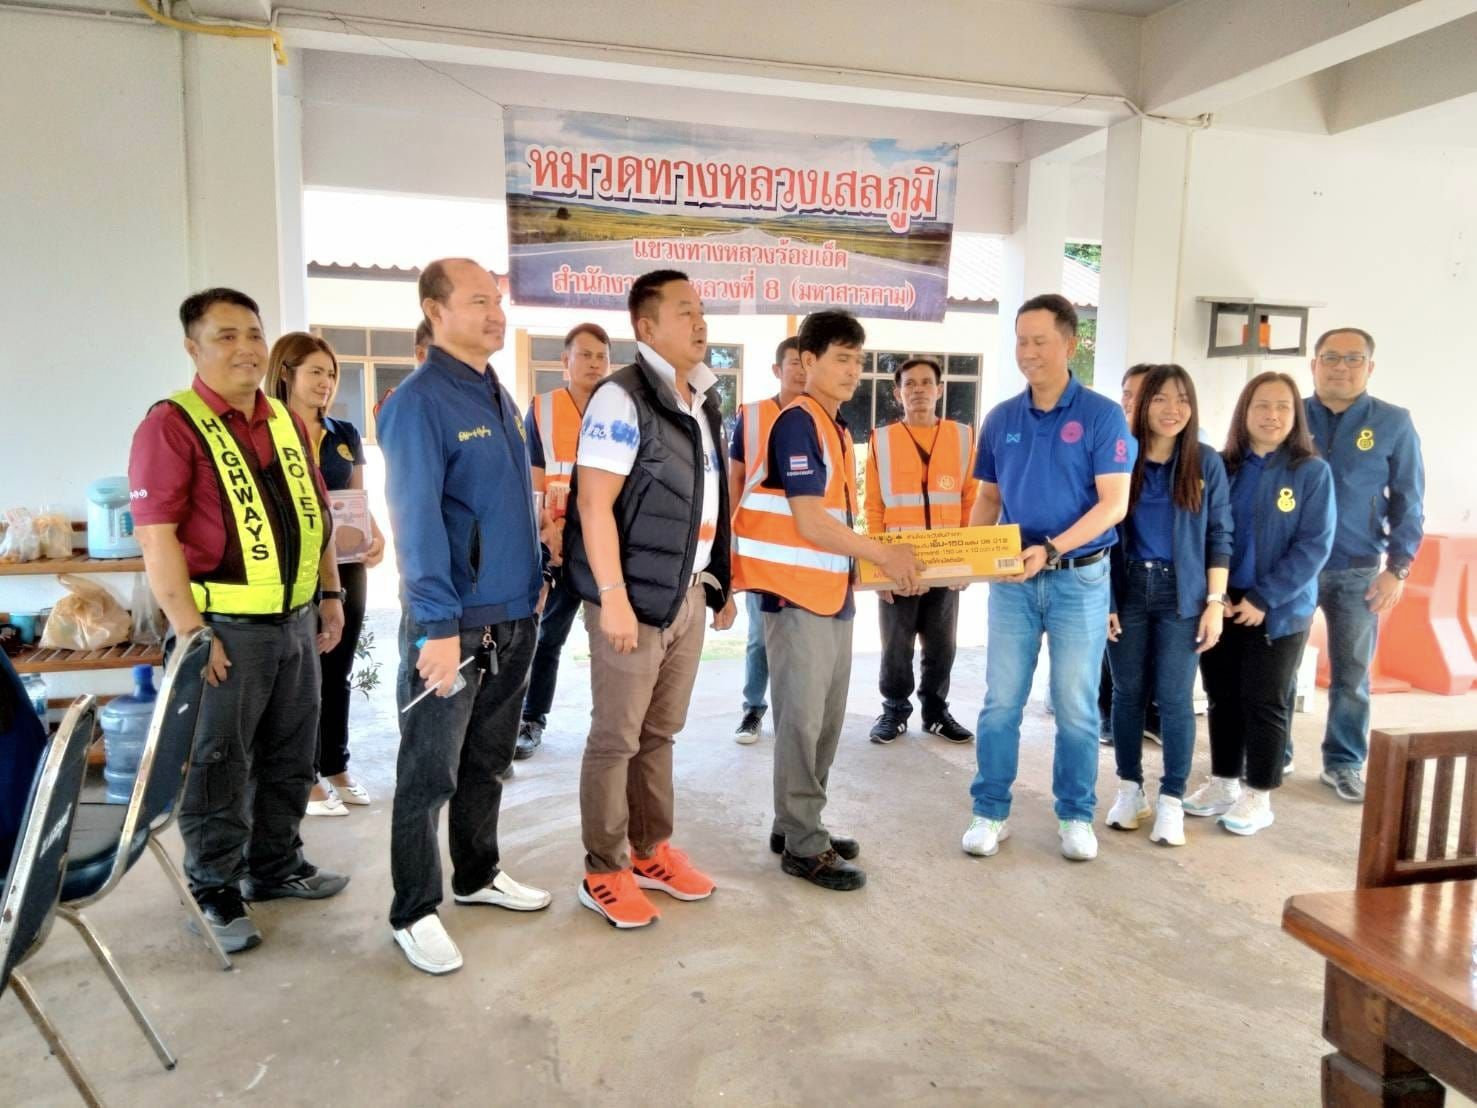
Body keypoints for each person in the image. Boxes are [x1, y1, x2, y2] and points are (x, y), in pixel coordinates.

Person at [128, 288, 349, 955]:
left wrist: (330, 592)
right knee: (219, 762)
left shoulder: (285, 420)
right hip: (224, 629)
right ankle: (214, 888)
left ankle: (275, 865)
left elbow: (316, 514)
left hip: (296, 622)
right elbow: (157, 538)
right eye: (226, 336)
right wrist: (193, 633)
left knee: (290, 754)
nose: (246, 348)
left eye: (253, 333)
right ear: (192, 348)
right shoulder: (171, 424)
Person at [377, 258, 551, 975]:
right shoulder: (419, 402)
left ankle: (477, 874)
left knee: (488, 762)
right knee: (428, 774)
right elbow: (415, 522)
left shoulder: (494, 391)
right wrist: (438, 628)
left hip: (513, 615)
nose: (495, 313)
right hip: (453, 626)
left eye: (498, 301)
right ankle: (413, 910)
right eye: (478, 300)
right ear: (435, 310)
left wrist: (534, 578)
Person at [562, 269, 736, 929]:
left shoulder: (700, 398)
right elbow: (594, 504)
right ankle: (604, 869)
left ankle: (649, 851)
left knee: (660, 733)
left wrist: (718, 580)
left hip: (686, 594)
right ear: (646, 326)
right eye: (685, 311)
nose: (700, 322)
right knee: (617, 737)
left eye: (702, 310)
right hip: (632, 600)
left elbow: (709, 499)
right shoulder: (621, 397)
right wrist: (612, 597)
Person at [732, 310, 924, 891]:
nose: (852, 371)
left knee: (823, 724)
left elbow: (838, 522)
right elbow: (811, 522)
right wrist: (886, 555)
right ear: (808, 361)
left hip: (830, 595)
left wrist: (873, 568)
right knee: (802, 724)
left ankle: (797, 823)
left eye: (858, 360)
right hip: (796, 599)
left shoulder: (834, 426)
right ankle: (803, 844)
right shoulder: (798, 423)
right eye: (842, 358)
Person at [961, 293, 1133, 864]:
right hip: (1012, 582)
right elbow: (989, 498)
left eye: (1040, 341)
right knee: (1000, 703)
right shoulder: (1001, 418)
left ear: (1069, 344)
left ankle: (1076, 815)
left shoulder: (1102, 415)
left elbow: (1113, 504)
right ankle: (990, 811)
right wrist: (967, 558)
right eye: (1021, 341)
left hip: (1078, 580)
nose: (1028, 352)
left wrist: (1052, 548)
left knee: (1076, 707)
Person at [1184, 372, 1335, 836]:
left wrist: (1264, 597)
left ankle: (1258, 794)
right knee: (1222, 696)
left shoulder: (1311, 472)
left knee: (1266, 701)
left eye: (1283, 407)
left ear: (1296, 415)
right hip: (1223, 604)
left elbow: (1314, 545)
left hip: (1279, 610)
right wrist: (1218, 595)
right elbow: (1205, 531)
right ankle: (1224, 782)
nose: (1272, 415)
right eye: (1262, 405)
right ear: (1244, 412)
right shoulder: (1222, 467)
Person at [1104, 365, 1231, 847]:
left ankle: (1172, 798)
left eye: (1182, 399)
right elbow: (1103, 531)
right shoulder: (1121, 456)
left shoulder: (1205, 462)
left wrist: (1214, 602)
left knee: (1176, 699)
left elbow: (1220, 535)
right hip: (1129, 590)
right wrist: (1107, 599)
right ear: (1142, 405)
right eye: (1160, 398)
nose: (1172, 409)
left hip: (1184, 594)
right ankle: (1129, 789)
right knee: (1127, 693)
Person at [266, 333, 387, 818]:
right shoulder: (268, 430)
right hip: (292, 568)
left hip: (346, 566)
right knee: (301, 675)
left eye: (331, 373)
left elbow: (357, 498)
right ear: (286, 374)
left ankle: (335, 764)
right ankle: (305, 775)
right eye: (315, 371)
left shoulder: (344, 433)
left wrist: (375, 536)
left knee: (338, 669)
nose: (326, 382)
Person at [1304, 327, 1424, 803]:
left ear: (1369, 368)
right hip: (1293, 569)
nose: (1341, 367)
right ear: (1313, 364)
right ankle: (1273, 754)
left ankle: (1344, 762)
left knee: (1352, 676)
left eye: (1353, 358)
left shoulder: (1393, 422)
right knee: (1277, 669)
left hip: (1358, 570)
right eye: (1331, 357)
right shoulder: (1290, 414)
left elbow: (1410, 500)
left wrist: (1399, 567)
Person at [864, 357, 977, 745]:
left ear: (939, 390)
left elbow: (971, 501)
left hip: (946, 562)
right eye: (909, 384)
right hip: (898, 563)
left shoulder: (963, 437)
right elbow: (874, 507)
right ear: (898, 394)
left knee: (942, 644)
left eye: (926, 382)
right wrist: (878, 568)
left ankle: (935, 712)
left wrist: (967, 561)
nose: (918, 390)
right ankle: (894, 710)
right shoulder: (881, 440)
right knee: (896, 644)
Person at [516, 323, 613, 761]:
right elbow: (532, 480)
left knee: (610, 642)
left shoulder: (621, 411)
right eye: (585, 355)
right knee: (547, 638)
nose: (594, 363)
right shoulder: (542, 409)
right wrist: (546, 529)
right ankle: (531, 719)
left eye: (601, 356)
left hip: (603, 548)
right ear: (565, 361)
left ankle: (610, 721)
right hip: (557, 546)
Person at [728, 336, 805, 744]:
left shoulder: (824, 417)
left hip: (808, 550)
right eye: (793, 363)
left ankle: (794, 715)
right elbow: (736, 478)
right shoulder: (753, 416)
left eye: (807, 362)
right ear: (778, 370)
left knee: (801, 637)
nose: (801, 371)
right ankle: (753, 709)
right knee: (760, 636)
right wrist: (728, 536)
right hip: (761, 548)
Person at [1096, 363, 1161, 745]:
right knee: (1113, 644)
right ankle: (1107, 715)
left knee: (1150, 649)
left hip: (1157, 570)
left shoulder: (1174, 449)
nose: (1132, 401)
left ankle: (1147, 715)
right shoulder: (1109, 440)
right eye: (1127, 393)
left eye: (1142, 394)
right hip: (1112, 560)